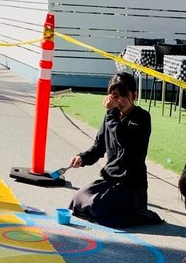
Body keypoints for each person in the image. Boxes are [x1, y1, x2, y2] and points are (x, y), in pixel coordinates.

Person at [68, 71, 161, 228]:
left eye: (125, 95)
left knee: (97, 208)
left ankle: (136, 211)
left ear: (134, 95)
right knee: (77, 200)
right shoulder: (111, 116)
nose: (121, 101)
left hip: (131, 184)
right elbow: (99, 146)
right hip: (110, 180)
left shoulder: (142, 117)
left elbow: (123, 139)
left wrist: (111, 113)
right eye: (116, 96)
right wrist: (82, 158)